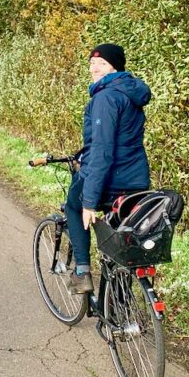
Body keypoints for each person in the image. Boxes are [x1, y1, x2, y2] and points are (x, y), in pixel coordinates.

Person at [65, 43, 152, 294]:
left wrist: (90, 202)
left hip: (110, 179)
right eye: (92, 63)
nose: (94, 68)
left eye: (101, 63)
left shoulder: (105, 97)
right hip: (134, 180)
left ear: (115, 67)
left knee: (74, 205)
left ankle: (82, 272)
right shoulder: (130, 94)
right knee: (120, 239)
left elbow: (103, 151)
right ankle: (119, 303)